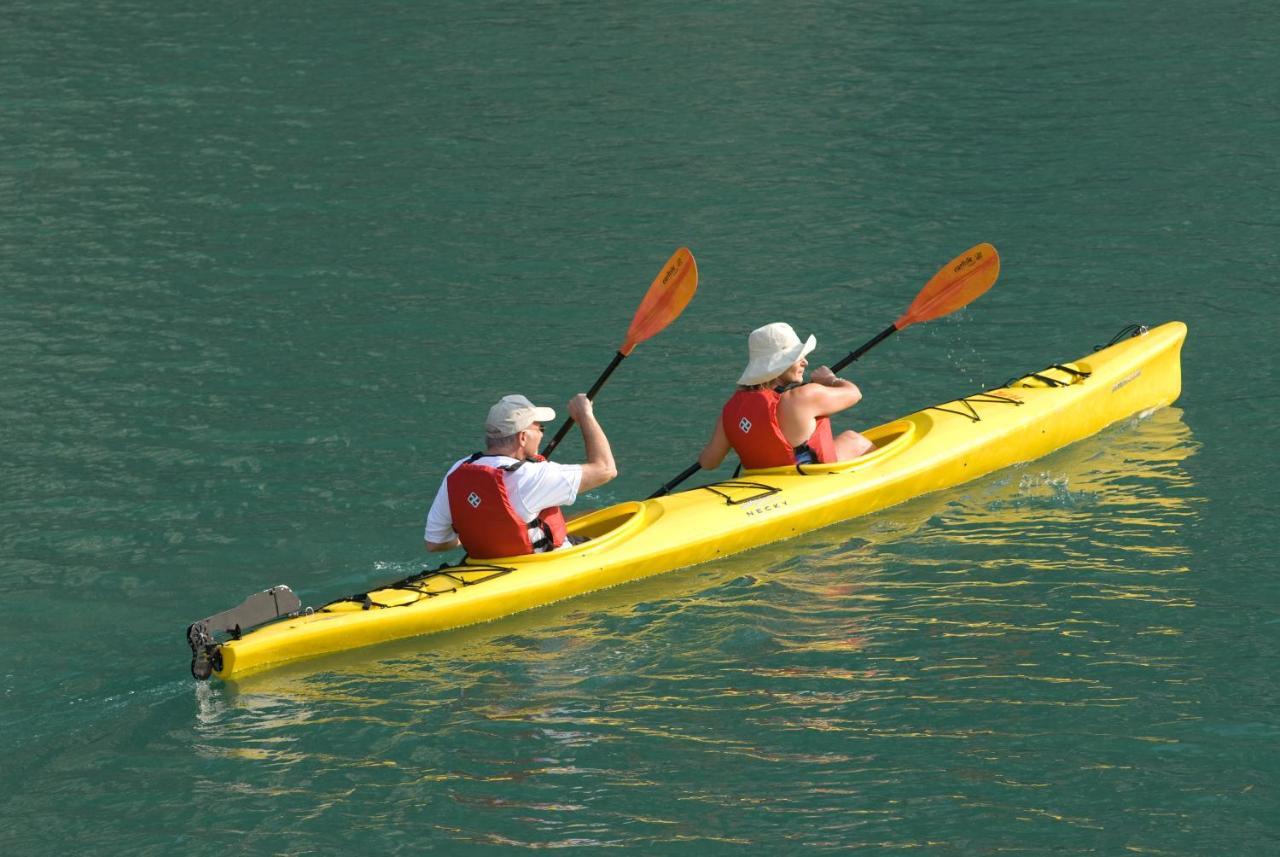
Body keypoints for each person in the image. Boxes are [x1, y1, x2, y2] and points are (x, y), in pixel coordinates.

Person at [424, 393, 617, 559]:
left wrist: (487, 535)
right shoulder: (532, 476)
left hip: (483, 564)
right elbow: (606, 469)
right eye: (540, 429)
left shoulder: (459, 470)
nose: (542, 435)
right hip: (544, 564)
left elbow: (434, 543)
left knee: (588, 514)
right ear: (523, 437)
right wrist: (585, 415)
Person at [698, 322, 873, 471]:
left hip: (763, 484)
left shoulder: (731, 410)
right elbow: (854, 394)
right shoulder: (803, 396)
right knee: (855, 441)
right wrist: (830, 379)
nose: (805, 362)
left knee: (849, 437)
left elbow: (708, 463)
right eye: (797, 357)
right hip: (807, 482)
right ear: (777, 365)